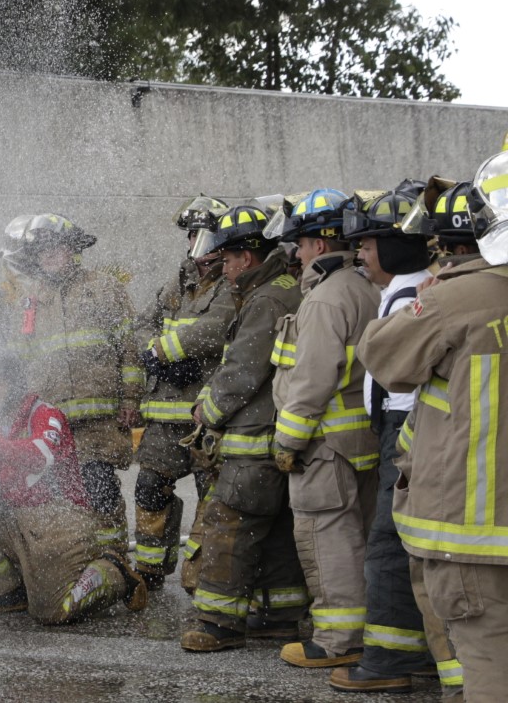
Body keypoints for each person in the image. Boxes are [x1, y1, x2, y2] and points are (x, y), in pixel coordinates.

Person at [356, 148, 508, 700]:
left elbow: (384, 359)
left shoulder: (459, 298)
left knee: (486, 661)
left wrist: (428, 300)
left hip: (474, 535)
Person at [332, 187, 463, 693]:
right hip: (399, 429)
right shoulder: (408, 291)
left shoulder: (419, 297)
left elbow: (400, 377)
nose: (360, 256)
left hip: (406, 433)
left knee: (390, 540)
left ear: (395, 247)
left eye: (367, 246)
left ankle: (389, 661)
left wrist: (397, 439)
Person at [180, 205, 309, 652]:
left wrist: (206, 411)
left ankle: (217, 622)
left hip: (256, 436)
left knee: (229, 523)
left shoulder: (266, 298)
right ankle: (280, 616)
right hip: (276, 433)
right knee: (272, 530)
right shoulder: (282, 288)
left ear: (247, 258)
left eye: (228, 259)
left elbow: (242, 370)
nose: (224, 267)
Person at [0, 353, 147, 624]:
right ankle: (7, 593)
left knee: (52, 612)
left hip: (59, 521)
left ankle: (115, 571)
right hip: (16, 519)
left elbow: (39, 457)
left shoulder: (45, 414)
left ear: (15, 383)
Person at [267, 189, 381, 667]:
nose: (295, 252)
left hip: (323, 446)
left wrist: (288, 441)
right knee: (363, 537)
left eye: (299, 244)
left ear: (316, 244)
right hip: (359, 441)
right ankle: (368, 635)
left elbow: (311, 379)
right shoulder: (364, 287)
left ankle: (337, 641)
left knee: (327, 537)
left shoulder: (324, 299)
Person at [0, 213, 141, 552]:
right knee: (59, 497)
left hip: (99, 421)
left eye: (55, 248)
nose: (48, 256)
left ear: (72, 249)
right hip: (52, 424)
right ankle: (79, 562)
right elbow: (19, 361)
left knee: (99, 487)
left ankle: (114, 562)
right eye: (41, 251)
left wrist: (131, 400)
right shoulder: (29, 302)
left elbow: (129, 350)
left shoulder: (104, 289)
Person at [133, 196, 233, 592]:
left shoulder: (232, 282)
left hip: (206, 415)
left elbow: (218, 324)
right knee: (149, 487)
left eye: (201, 235)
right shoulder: (177, 281)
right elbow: (142, 324)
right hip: (164, 414)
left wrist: (168, 350)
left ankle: (200, 578)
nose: (194, 242)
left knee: (211, 498)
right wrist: (153, 352)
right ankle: (149, 571)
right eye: (191, 234)